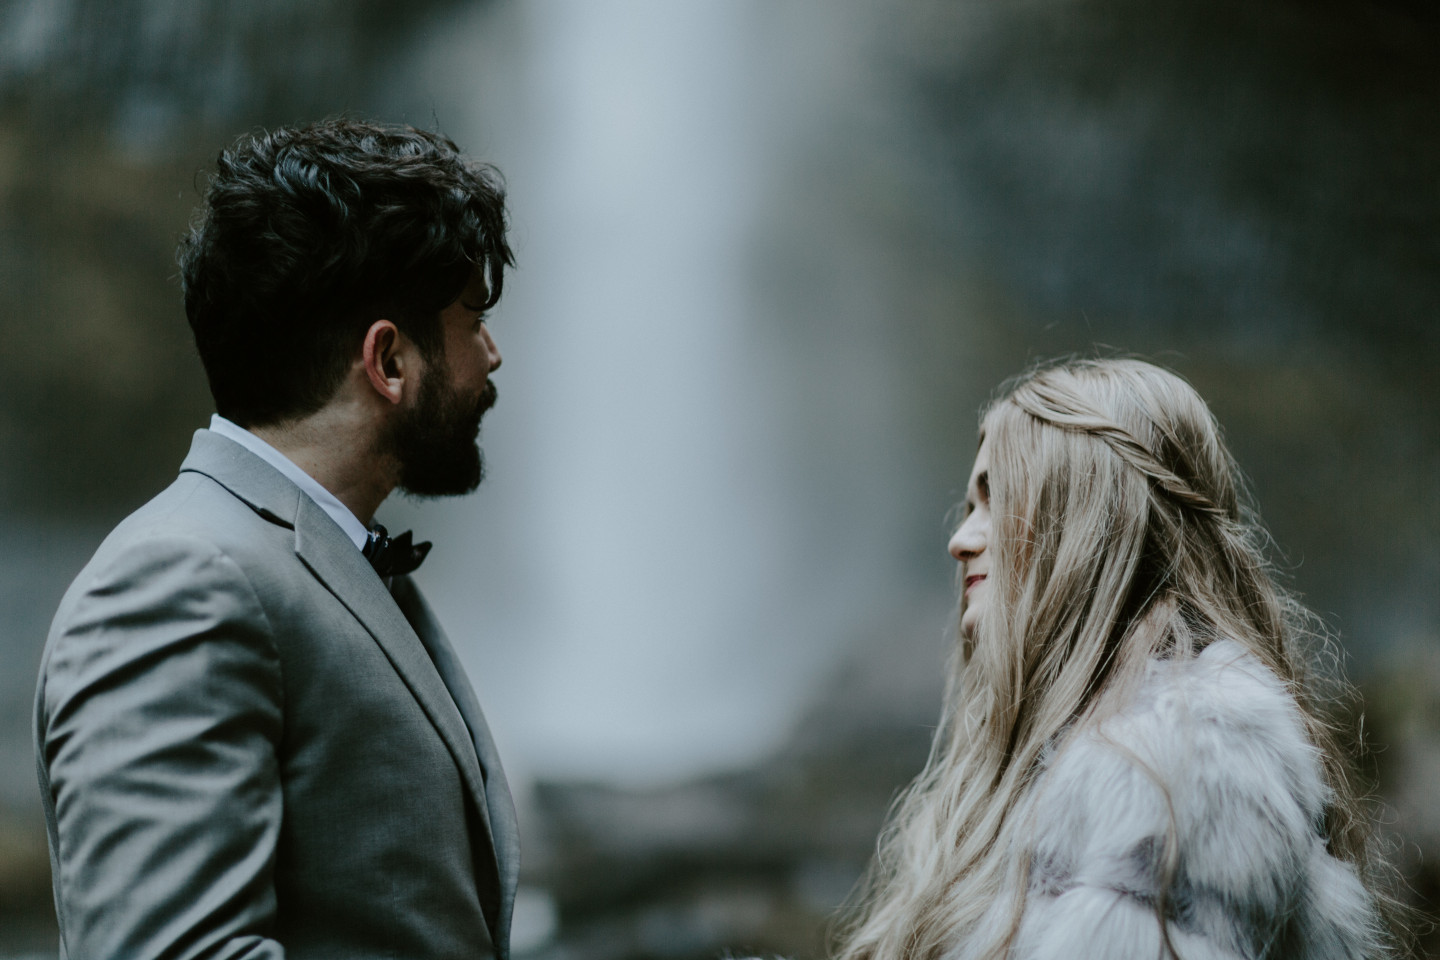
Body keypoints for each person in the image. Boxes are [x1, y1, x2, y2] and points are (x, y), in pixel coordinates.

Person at [34, 119, 520, 959]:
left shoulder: (312, 562)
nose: (492, 355)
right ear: (388, 362)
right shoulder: (177, 581)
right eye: (471, 318)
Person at [835, 359, 1400, 960]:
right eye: (969, 505)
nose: (961, 539)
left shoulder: (1188, 759)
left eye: (995, 499)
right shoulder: (1080, 752)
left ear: (1084, 520)